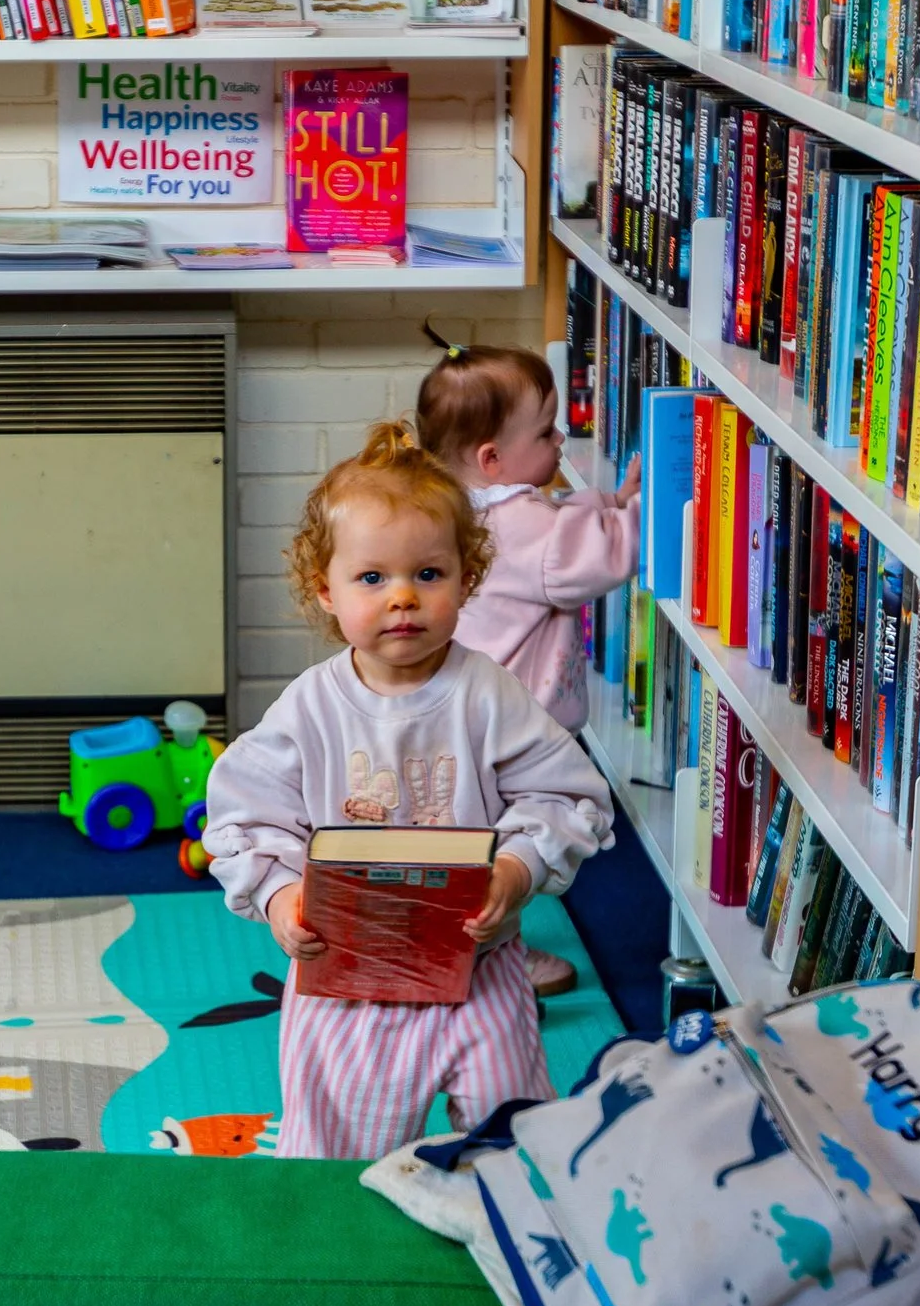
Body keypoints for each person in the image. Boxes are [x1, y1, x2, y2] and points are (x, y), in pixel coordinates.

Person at [198, 426, 614, 1160]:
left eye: (428, 574)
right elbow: (243, 816)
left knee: (511, 1144)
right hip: (346, 986)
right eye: (371, 579)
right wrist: (279, 897)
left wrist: (516, 873)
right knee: (334, 1165)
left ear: (466, 578)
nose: (402, 598)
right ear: (324, 589)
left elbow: (566, 795)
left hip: (479, 974)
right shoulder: (309, 707)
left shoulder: (486, 694)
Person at [405, 324, 641, 995]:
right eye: (545, 434)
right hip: (511, 734)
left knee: (475, 841)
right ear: (491, 458)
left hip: (466, 719)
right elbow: (597, 555)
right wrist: (647, 512)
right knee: (502, 844)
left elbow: (561, 517)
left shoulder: (471, 510)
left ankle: (465, 939)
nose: (560, 441)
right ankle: (489, 955)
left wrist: (604, 503)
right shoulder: (522, 529)